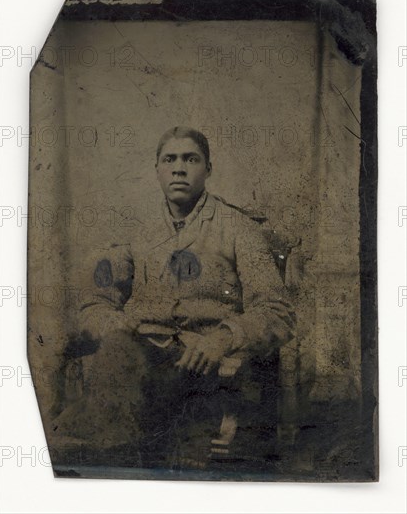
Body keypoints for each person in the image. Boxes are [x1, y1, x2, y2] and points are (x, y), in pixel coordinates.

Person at [53, 126, 296, 469]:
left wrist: (224, 337)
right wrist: (117, 327)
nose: (179, 168)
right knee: (118, 367)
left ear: (208, 169)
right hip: (143, 361)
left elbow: (277, 311)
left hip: (207, 366)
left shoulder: (239, 229)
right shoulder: (136, 230)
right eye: (169, 159)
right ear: (157, 169)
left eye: (190, 159)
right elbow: (95, 303)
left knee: (169, 449)